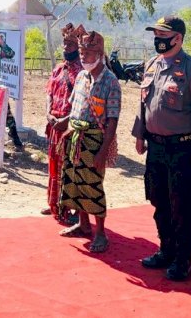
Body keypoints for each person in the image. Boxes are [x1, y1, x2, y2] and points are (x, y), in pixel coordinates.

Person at [132, 15, 191, 281]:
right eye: (156, 35)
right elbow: (144, 103)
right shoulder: (151, 66)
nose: (158, 40)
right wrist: (140, 134)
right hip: (156, 148)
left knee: (184, 205)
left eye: (163, 36)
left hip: (183, 150)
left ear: (177, 38)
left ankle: (184, 258)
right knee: (159, 201)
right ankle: (166, 250)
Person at [57, 31, 121, 253]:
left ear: (101, 53)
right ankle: (83, 225)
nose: (83, 57)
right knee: (74, 182)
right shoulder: (82, 77)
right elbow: (75, 106)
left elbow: (112, 120)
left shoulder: (110, 82)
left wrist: (103, 152)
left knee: (92, 186)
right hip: (75, 138)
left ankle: (101, 233)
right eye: (82, 52)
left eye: (89, 52)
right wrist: (63, 123)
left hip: (95, 140)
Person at [43, 23, 85, 221]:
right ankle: (54, 203)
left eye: (71, 44)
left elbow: (85, 103)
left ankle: (71, 209)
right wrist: (48, 115)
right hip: (54, 126)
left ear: (78, 47)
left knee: (70, 168)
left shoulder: (83, 73)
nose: (66, 47)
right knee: (53, 165)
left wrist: (65, 120)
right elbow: (49, 93)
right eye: (64, 44)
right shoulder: (58, 69)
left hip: (70, 128)